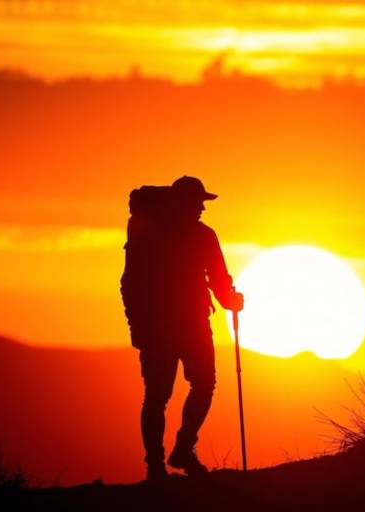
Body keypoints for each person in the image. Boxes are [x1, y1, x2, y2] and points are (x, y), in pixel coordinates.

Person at [120, 175, 244, 481]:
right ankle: (177, 453)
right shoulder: (201, 235)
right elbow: (219, 281)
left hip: (163, 327)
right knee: (194, 387)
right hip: (185, 325)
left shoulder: (149, 233)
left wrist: (137, 323)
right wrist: (232, 301)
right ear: (182, 202)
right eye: (198, 202)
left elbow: (130, 282)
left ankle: (160, 464)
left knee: (161, 395)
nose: (202, 208)